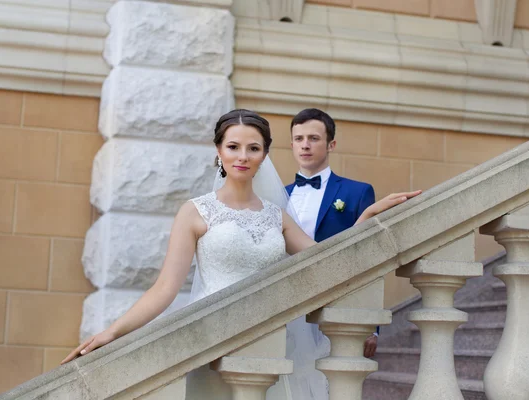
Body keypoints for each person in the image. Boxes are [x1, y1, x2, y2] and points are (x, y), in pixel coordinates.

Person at [61, 109, 420, 399]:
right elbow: (164, 289)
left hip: (270, 340)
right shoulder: (195, 212)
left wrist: (365, 220)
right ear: (219, 150)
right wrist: (111, 332)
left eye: (253, 148)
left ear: (264, 154)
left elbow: (325, 260)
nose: (243, 156)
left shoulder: (275, 215)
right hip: (214, 339)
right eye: (233, 147)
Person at [286, 109, 379, 360]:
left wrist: (371, 324)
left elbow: (369, 259)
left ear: (331, 144)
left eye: (313, 138)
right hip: (284, 306)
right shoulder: (277, 196)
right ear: (292, 144)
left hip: (334, 305)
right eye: (299, 139)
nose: (305, 145)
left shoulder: (357, 193)